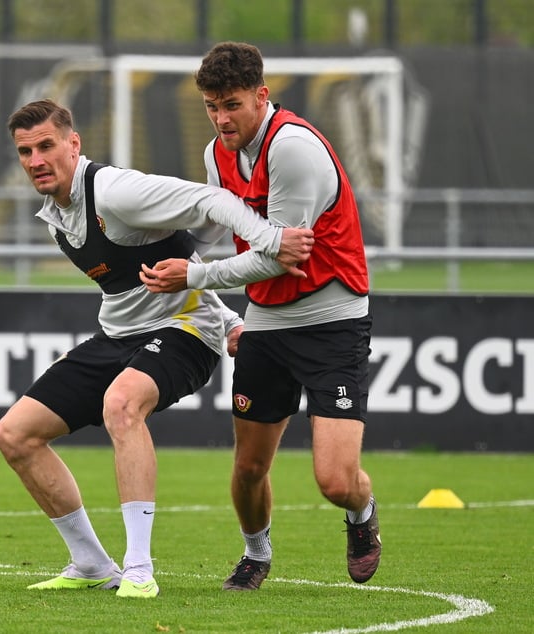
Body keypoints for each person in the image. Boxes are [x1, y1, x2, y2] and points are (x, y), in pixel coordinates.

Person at [0, 99, 314, 599]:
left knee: (121, 404)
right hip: (118, 337)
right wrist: (231, 316)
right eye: (25, 151)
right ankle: (90, 564)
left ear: (73, 145)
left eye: (47, 146)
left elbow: (214, 202)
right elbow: (174, 250)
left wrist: (271, 240)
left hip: (186, 332)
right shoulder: (56, 212)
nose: (36, 159)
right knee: (14, 434)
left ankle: (138, 568)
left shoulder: (116, 191)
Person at [141, 41, 380, 590]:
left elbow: (279, 257)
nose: (222, 119)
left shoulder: (292, 147)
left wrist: (193, 276)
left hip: (332, 319)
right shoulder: (215, 154)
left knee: (335, 481)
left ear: (261, 96)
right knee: (249, 469)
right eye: (211, 106)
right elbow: (231, 241)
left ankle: (362, 514)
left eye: (232, 104)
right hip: (267, 321)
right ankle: (256, 554)